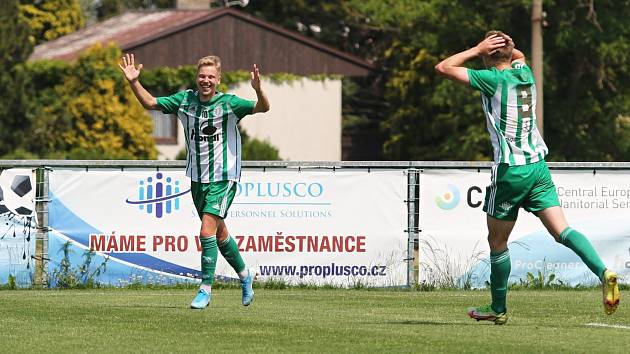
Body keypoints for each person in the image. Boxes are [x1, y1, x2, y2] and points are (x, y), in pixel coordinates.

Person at [434, 31, 619, 324]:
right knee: (562, 231)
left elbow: (443, 67)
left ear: (486, 56)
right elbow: (516, 56)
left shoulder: (492, 79)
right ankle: (603, 272)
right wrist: (505, 47)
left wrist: (476, 48)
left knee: (497, 242)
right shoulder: (525, 74)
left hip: (511, 170)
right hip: (538, 167)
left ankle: (498, 308)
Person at [119, 53, 270, 309]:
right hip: (198, 179)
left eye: (211, 76)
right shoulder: (185, 100)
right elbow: (150, 103)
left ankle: (205, 289)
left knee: (205, 231)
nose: (206, 81)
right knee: (220, 234)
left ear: (219, 79)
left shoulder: (229, 104)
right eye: (202, 76)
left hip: (224, 177)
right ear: (196, 77)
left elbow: (263, 108)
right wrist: (134, 82)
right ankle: (245, 276)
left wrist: (258, 90)